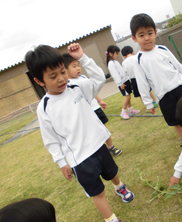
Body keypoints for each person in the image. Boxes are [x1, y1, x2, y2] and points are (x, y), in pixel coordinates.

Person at [25, 43, 134, 222]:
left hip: (99, 145)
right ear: (39, 81)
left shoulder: (77, 86)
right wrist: (61, 162)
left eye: (62, 71)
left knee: (112, 173)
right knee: (97, 193)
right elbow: (50, 139)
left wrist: (82, 58)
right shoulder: (44, 108)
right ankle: (112, 219)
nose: (61, 78)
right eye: (53, 76)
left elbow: (99, 78)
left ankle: (120, 187)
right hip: (79, 159)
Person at [130, 13, 182, 147]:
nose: (147, 38)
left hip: (181, 86)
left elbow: (178, 66)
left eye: (150, 33)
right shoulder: (138, 60)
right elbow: (142, 83)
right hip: (164, 95)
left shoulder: (163, 49)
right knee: (175, 120)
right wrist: (148, 103)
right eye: (141, 35)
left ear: (155, 32)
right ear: (134, 38)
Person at [62, 53, 122, 157]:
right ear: (65, 70)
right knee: (94, 133)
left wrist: (99, 100)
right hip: (87, 113)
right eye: (74, 66)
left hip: (96, 108)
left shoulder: (83, 77)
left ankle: (111, 147)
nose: (78, 68)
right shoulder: (69, 84)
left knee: (103, 129)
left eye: (78, 65)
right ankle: (101, 150)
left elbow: (93, 90)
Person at [120, 45, 158, 112]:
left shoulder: (124, 62)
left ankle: (148, 105)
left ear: (124, 55)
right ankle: (155, 102)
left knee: (141, 94)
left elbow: (125, 73)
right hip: (142, 76)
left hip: (133, 79)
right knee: (148, 90)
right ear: (132, 51)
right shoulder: (136, 57)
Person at [106, 45, 140, 120]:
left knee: (129, 96)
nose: (117, 55)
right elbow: (115, 74)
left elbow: (122, 71)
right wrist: (120, 83)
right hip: (122, 83)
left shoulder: (115, 62)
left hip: (125, 80)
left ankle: (130, 110)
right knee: (127, 97)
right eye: (116, 53)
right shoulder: (111, 63)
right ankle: (123, 112)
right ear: (111, 54)